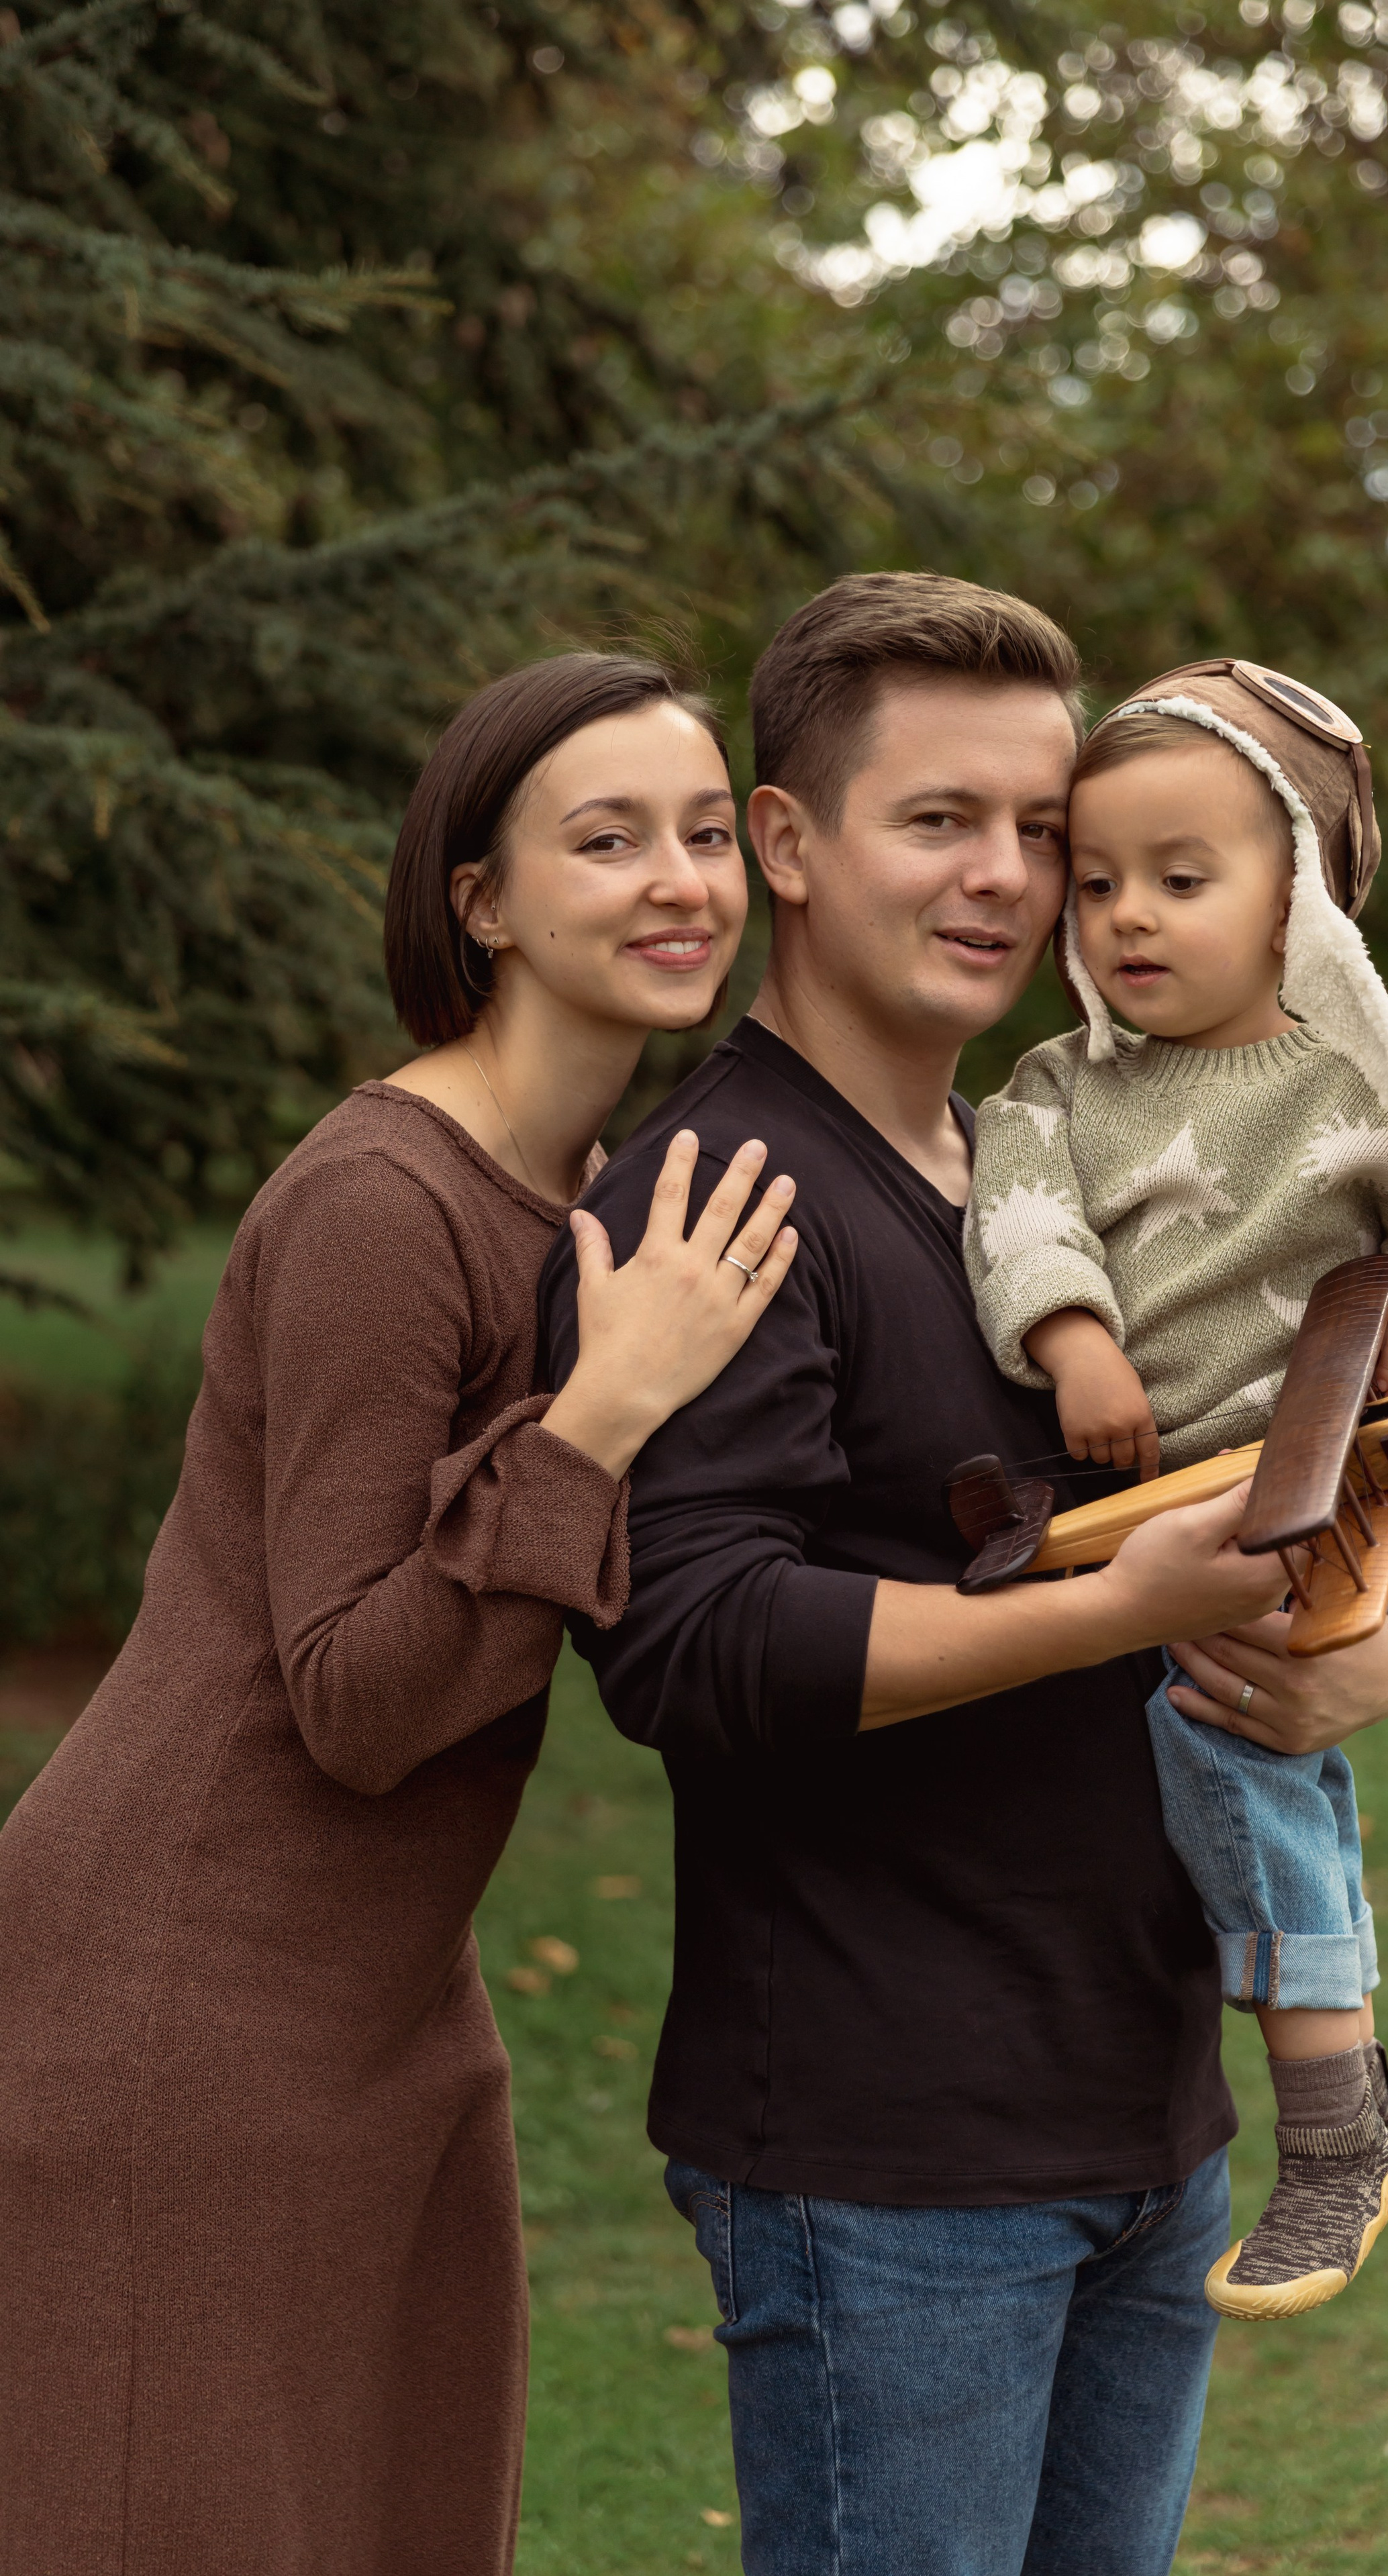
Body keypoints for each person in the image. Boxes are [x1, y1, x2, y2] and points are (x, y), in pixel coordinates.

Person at [538, 578, 1388, 2576]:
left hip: (1149, 2106)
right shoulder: (721, 1194)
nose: (1013, 878)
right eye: (941, 818)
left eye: (1044, 827)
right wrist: (1130, 1609)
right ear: (788, 842)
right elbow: (687, 1642)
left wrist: (1365, 1656)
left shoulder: (1054, 1168)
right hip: (892, 2158)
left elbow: (1272, 1506)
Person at [0, 652, 799, 2576]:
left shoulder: (594, 1195)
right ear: (482, 896)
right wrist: (603, 1406)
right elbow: (355, 1692)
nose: (681, 879)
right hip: (180, 1998)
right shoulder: (381, 1199)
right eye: (606, 839)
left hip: (386, 1996)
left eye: (705, 831)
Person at [964, 659, 1388, 2322]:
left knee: (1221, 1728)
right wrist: (1073, 1334)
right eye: (1092, 883)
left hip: (1336, 1460)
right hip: (1176, 1482)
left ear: (1292, 896)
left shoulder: (1353, 1091)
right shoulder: (1057, 1092)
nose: (1123, 918)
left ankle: (1330, 2125)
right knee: (1220, 1727)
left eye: (1180, 877)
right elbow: (1015, 1215)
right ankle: (1341, 2105)